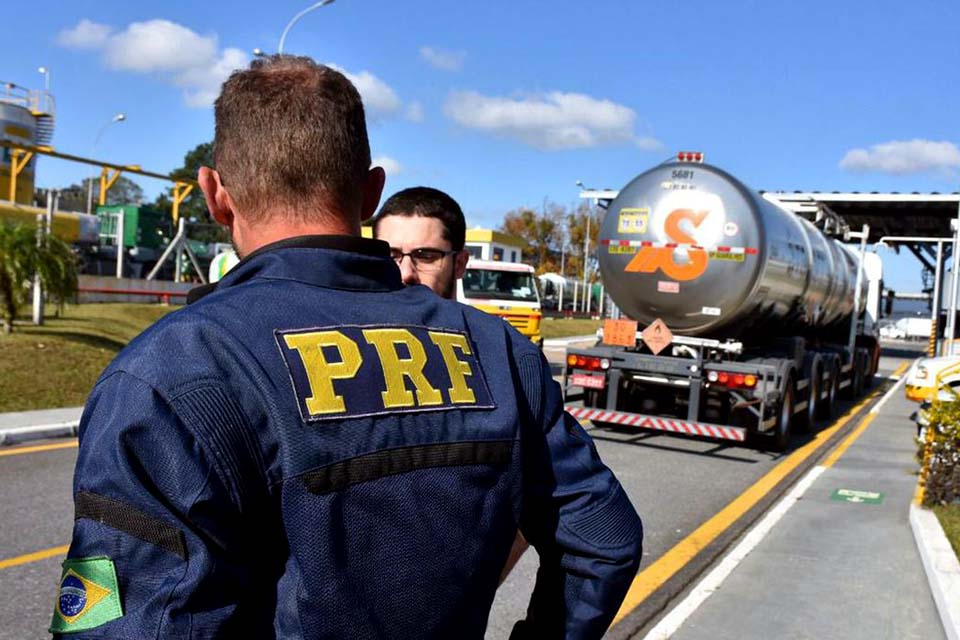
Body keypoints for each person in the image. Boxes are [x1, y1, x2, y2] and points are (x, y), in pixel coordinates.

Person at [52, 55, 642, 639]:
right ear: (370, 196)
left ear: (215, 195)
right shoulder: (496, 349)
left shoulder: (174, 371)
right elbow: (605, 539)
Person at [372, 187, 530, 582]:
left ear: (459, 263)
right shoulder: (337, 353)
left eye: (425, 256)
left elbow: (549, 503)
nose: (405, 272)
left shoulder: (499, 357)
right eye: (389, 255)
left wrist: (474, 590)